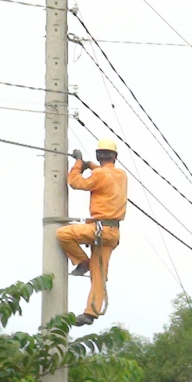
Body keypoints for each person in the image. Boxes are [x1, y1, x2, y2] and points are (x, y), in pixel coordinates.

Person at [56, 139, 128, 326]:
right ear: (115, 157)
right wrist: (91, 165)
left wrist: (79, 164)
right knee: (99, 276)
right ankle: (91, 313)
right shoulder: (121, 175)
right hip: (112, 233)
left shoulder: (99, 176)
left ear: (98, 155)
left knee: (64, 234)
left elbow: (75, 182)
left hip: (99, 229)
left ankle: (81, 262)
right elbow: (104, 173)